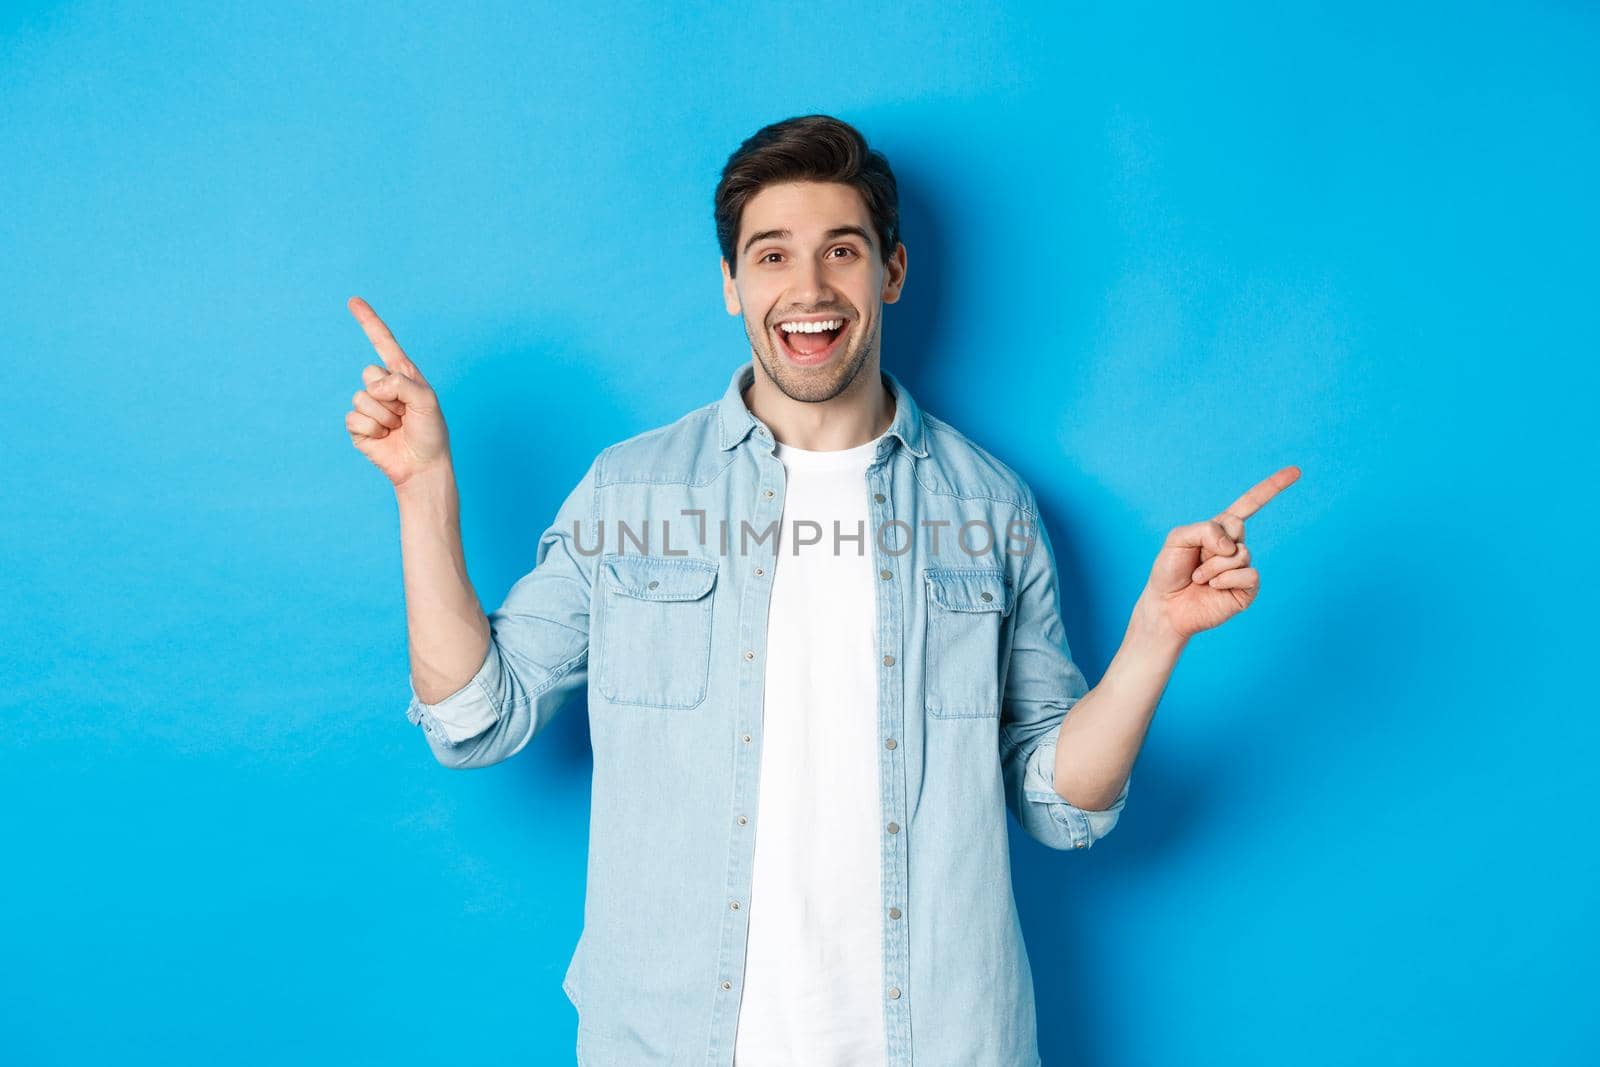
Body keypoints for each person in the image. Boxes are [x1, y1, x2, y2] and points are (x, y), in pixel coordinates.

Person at [344, 113, 1298, 1067]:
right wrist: (423, 490)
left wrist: (1156, 635)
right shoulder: (631, 493)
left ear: (890, 272)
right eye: (770, 256)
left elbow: (1059, 805)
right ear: (731, 284)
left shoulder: (991, 508)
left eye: (841, 251)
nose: (807, 289)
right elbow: (476, 716)